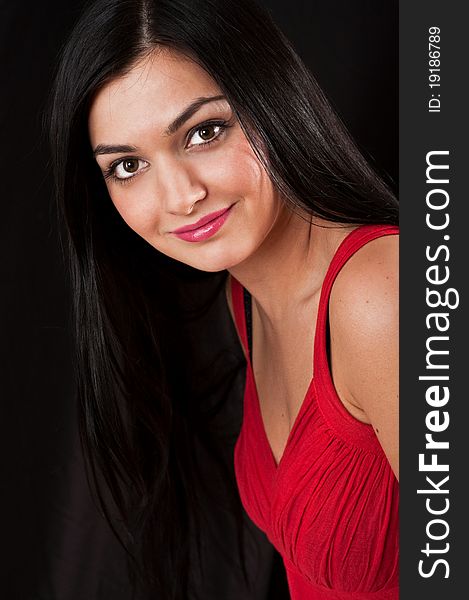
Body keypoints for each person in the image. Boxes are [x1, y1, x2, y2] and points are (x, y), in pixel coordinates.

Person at [49, 0, 399, 598]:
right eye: (128, 166)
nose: (181, 195)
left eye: (204, 132)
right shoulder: (248, 298)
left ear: (271, 99)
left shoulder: (380, 297)